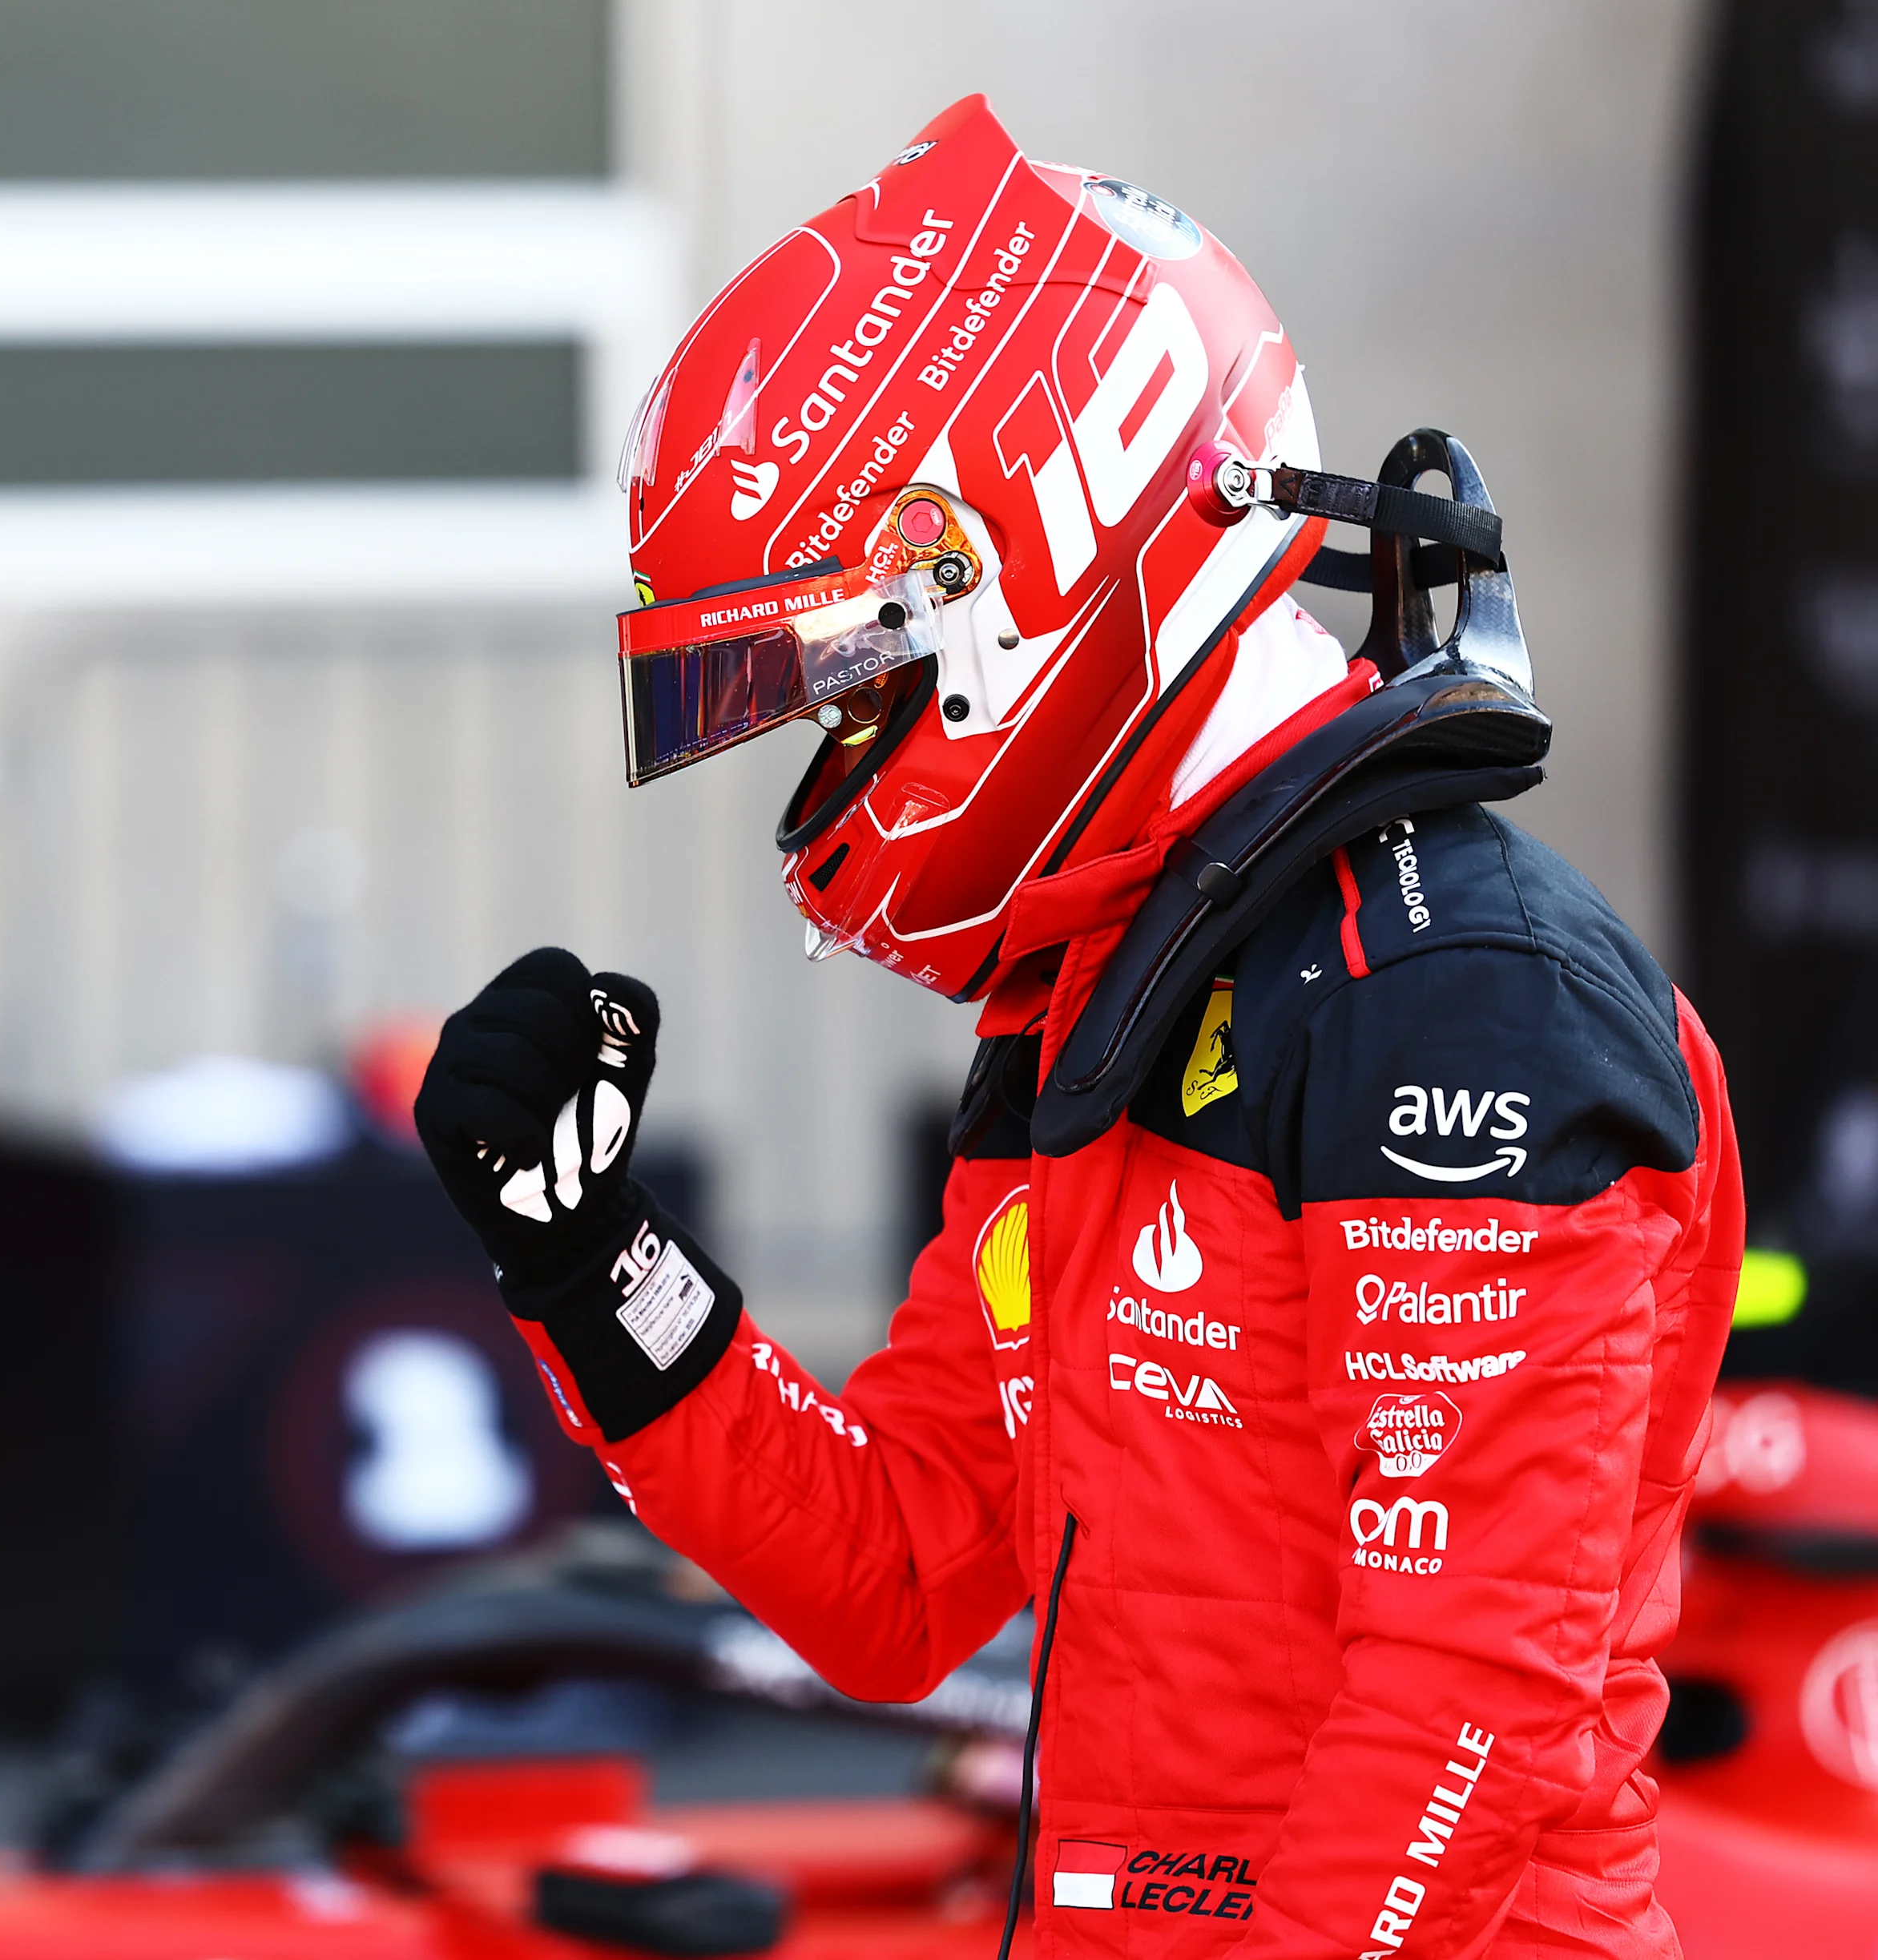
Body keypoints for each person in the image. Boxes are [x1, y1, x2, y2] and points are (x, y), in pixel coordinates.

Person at [413, 93, 1743, 1959]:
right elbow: (896, 1565)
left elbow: (1469, 1709)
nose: (829, 759)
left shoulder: (1469, 1011)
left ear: (1012, 562)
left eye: (841, 684)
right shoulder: (1104, 1004)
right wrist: (587, 1262)